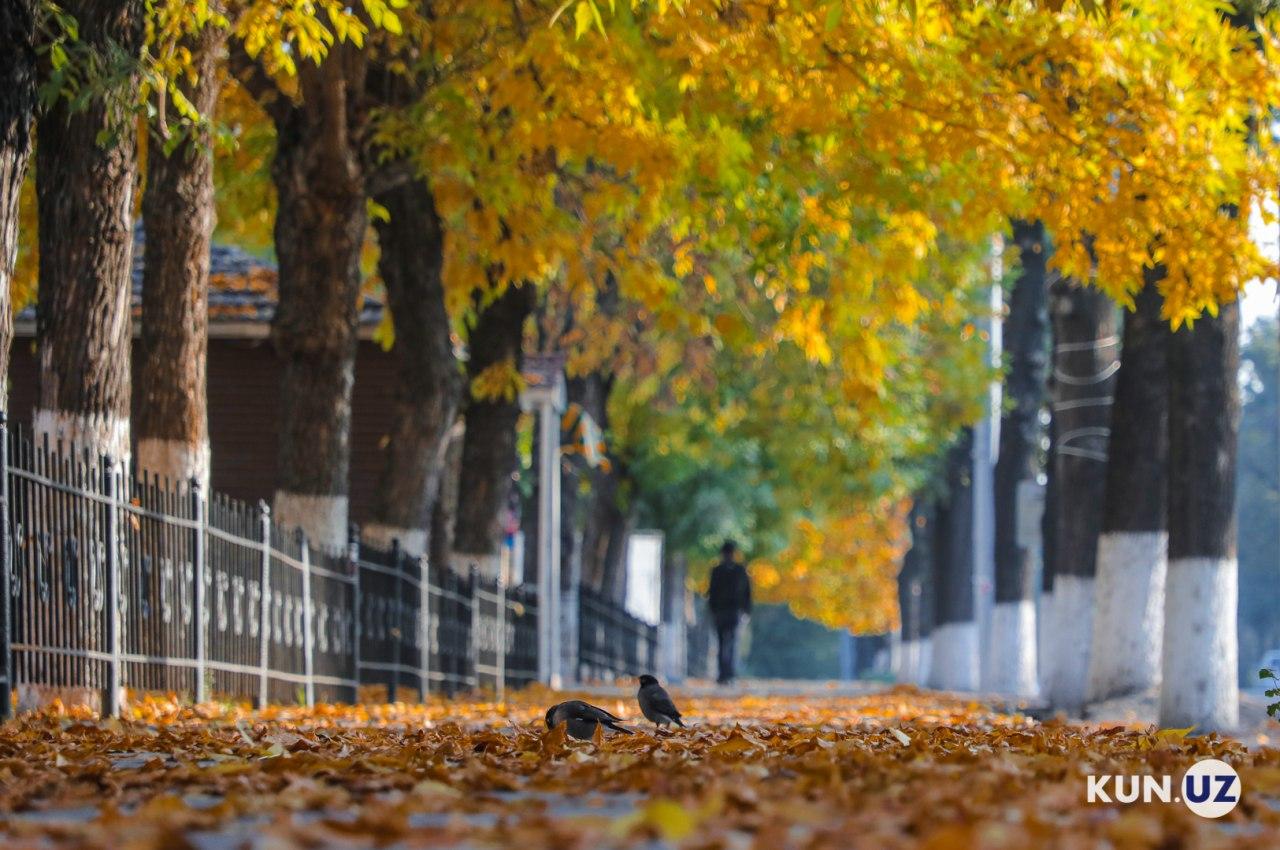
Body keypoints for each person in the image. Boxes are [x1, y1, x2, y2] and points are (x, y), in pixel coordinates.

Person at [707, 539, 752, 684]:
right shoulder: (740, 570)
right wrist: (746, 610)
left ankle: (725, 674)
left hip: (725, 611)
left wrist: (712, 609)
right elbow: (747, 593)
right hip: (731, 611)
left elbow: (712, 592)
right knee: (730, 642)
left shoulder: (718, 570)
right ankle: (728, 674)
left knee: (724, 642)